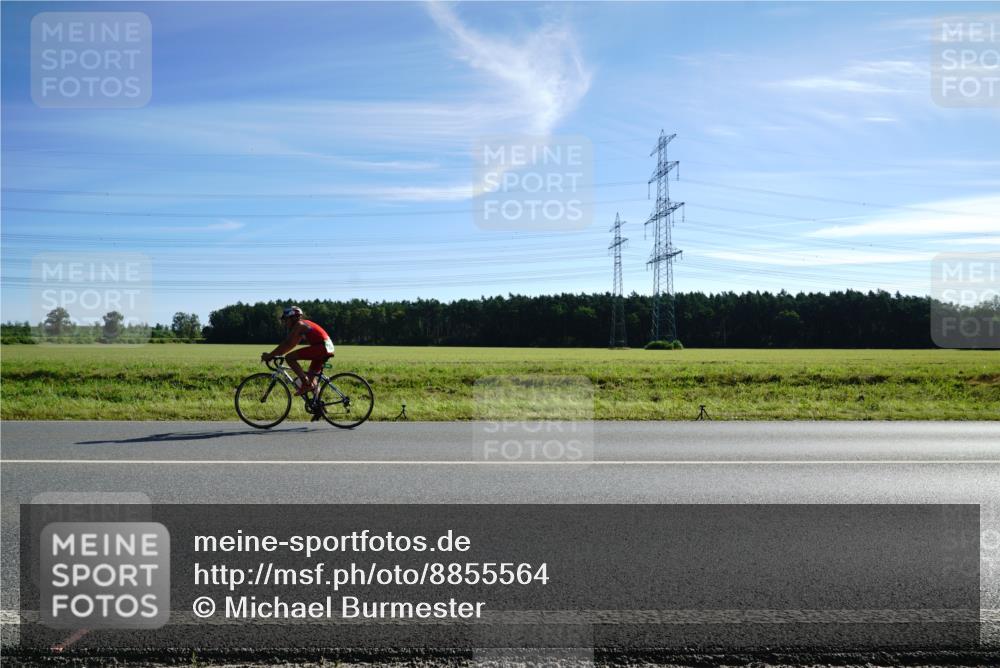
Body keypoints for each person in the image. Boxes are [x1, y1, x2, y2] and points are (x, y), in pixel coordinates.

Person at [261, 306, 334, 396]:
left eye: (286, 320)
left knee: (289, 358)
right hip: (325, 348)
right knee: (311, 380)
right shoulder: (303, 324)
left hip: (322, 348)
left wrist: (270, 355)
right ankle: (319, 407)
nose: (285, 323)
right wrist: (274, 355)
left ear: (293, 318)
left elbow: (287, 343)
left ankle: (306, 384)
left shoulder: (300, 325)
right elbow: (292, 344)